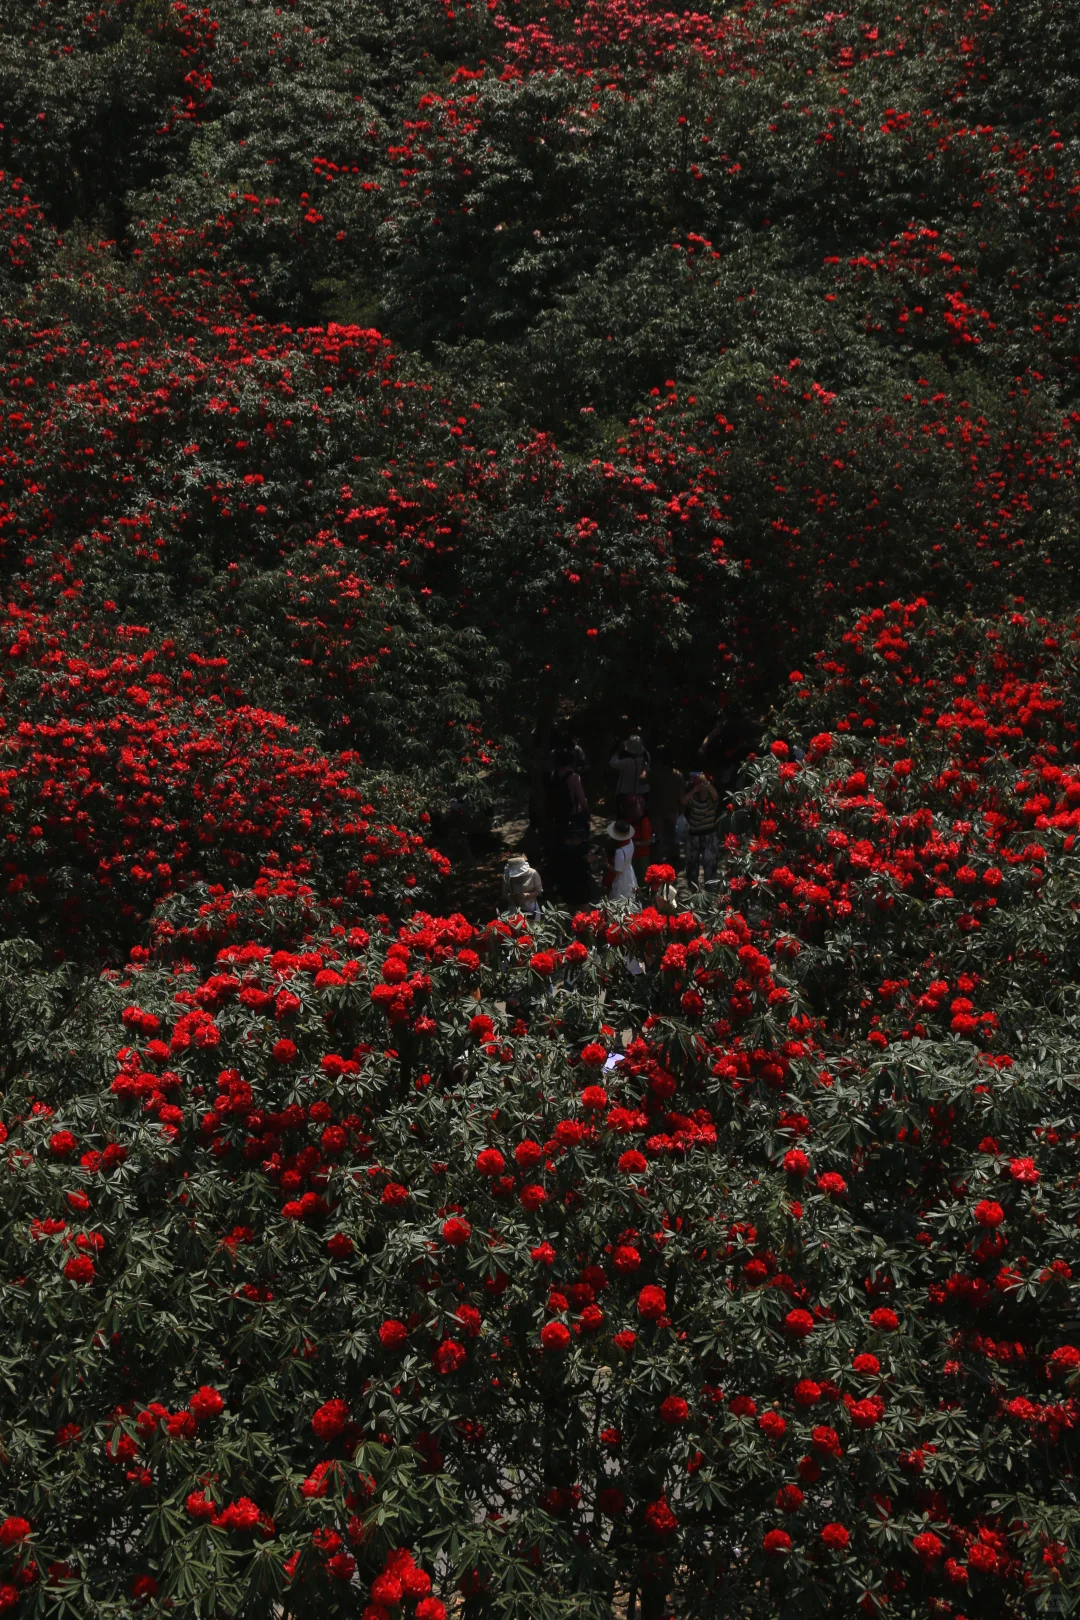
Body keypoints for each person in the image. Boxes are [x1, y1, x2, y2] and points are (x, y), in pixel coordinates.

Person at [647, 746, 685, 867]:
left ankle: (657, 858)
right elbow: (681, 795)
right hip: (672, 809)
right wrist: (682, 809)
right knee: (672, 834)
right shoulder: (677, 775)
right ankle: (673, 855)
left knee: (657, 836)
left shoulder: (653, 773)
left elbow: (641, 780)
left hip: (656, 809)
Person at [681, 771, 719, 889]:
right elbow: (683, 802)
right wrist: (694, 790)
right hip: (694, 836)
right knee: (692, 866)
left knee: (710, 865)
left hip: (709, 835)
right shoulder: (693, 798)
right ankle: (693, 892)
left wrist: (707, 783)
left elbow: (716, 796)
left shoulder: (712, 800)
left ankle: (710, 892)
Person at [608, 733, 649, 814]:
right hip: (643, 793)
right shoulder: (645, 758)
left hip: (626, 793)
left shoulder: (627, 762)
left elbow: (612, 763)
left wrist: (617, 752)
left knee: (624, 816)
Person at [603, 820, 637, 903]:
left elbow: (618, 871)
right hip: (629, 871)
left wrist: (607, 864)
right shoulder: (630, 842)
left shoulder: (620, 851)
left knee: (619, 899)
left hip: (621, 878)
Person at [502, 852, 543, 918]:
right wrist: (512, 897)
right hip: (513, 909)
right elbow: (504, 893)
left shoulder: (533, 873)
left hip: (530, 907)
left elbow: (539, 891)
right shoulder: (507, 875)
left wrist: (526, 895)